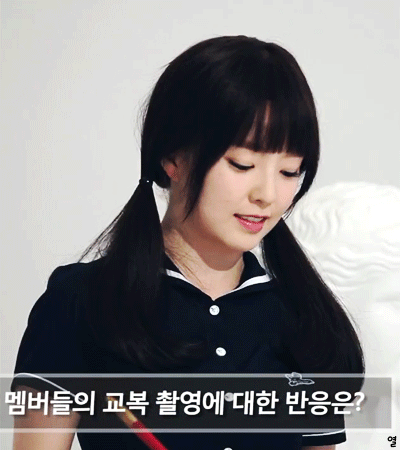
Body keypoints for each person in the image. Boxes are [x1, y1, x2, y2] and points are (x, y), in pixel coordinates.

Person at [12, 35, 364, 450]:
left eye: (290, 172)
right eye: (242, 164)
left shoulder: (304, 321)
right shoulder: (80, 302)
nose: (267, 195)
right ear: (173, 158)